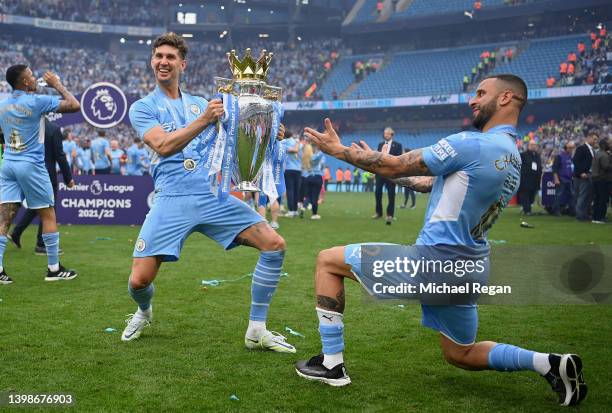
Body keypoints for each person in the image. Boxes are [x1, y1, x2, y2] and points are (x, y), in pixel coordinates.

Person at [297, 74, 586, 407]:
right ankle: (551, 363)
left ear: (506, 98)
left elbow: (395, 165)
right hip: (471, 268)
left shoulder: (471, 142)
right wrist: (382, 166)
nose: (473, 100)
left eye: (481, 93)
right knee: (460, 352)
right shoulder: (511, 157)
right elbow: (428, 182)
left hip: (433, 262)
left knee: (328, 261)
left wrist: (341, 151)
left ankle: (331, 365)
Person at [120, 32, 295, 353]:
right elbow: (163, 145)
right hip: (171, 199)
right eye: (158, 56)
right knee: (139, 281)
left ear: (182, 64)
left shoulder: (202, 103)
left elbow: (236, 134)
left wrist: (267, 133)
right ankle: (144, 312)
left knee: (274, 244)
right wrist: (204, 120)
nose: (163, 61)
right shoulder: (143, 108)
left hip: (211, 195)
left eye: (170, 57)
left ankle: (257, 330)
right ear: (152, 61)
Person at [0, 65, 80, 284]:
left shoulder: (2, 105)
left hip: (8, 165)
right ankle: (54, 269)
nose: (35, 78)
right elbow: (74, 105)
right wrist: (56, 84)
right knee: (48, 215)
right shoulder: (36, 101)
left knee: (4, 219)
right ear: (25, 82)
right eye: (31, 76)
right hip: (31, 165)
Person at [9, 118, 75, 255]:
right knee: (49, 209)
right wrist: (68, 178)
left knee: (36, 207)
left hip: (27, 173)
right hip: (46, 175)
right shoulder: (53, 129)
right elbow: (60, 156)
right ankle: (41, 244)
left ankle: (16, 233)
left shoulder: (26, 127)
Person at [374, 127, 402, 224]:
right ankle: (378, 212)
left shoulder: (398, 146)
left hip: (391, 174)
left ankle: (390, 214)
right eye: (384, 133)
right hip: (380, 174)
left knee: (391, 195)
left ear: (392, 135)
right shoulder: (380, 144)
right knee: (377, 193)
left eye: (387, 133)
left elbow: (398, 159)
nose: (385, 135)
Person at [573, 132, 597, 221]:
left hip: (589, 175)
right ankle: (580, 216)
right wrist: (580, 173)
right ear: (589, 138)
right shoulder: (581, 148)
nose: (595, 141)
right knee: (582, 196)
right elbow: (575, 161)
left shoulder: (592, 150)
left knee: (588, 197)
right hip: (582, 176)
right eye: (594, 139)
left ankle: (585, 215)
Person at [551, 141, 576, 216]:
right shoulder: (559, 156)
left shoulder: (571, 157)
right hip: (561, 179)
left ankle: (572, 211)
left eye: (572, 148)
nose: (571, 149)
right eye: (570, 148)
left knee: (572, 195)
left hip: (569, 179)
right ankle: (556, 211)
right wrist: (556, 179)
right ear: (566, 148)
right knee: (558, 195)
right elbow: (554, 169)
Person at [302, 142, 325, 220]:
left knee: (308, 196)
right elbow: (321, 156)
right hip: (317, 177)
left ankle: (303, 207)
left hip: (308, 177)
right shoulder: (314, 157)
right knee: (315, 196)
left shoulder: (306, 157)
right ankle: (314, 214)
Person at [518, 140, 542, 215]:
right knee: (525, 194)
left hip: (535, 179)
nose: (534, 146)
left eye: (535, 145)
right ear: (528, 146)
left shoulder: (537, 155)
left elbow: (539, 166)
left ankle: (527, 208)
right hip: (525, 179)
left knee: (532, 195)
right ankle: (526, 210)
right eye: (532, 145)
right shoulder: (523, 155)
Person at [591, 138, 610, 223]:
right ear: (604, 145)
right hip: (602, 179)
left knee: (597, 199)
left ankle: (595, 217)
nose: (609, 145)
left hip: (595, 178)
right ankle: (600, 217)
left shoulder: (597, 153)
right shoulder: (604, 155)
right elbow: (606, 167)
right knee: (602, 199)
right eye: (608, 144)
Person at [283, 131, 301, 217]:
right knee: (296, 191)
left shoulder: (284, 143)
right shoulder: (298, 142)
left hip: (289, 169)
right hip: (298, 170)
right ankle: (295, 210)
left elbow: (294, 150)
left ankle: (291, 211)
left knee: (290, 190)